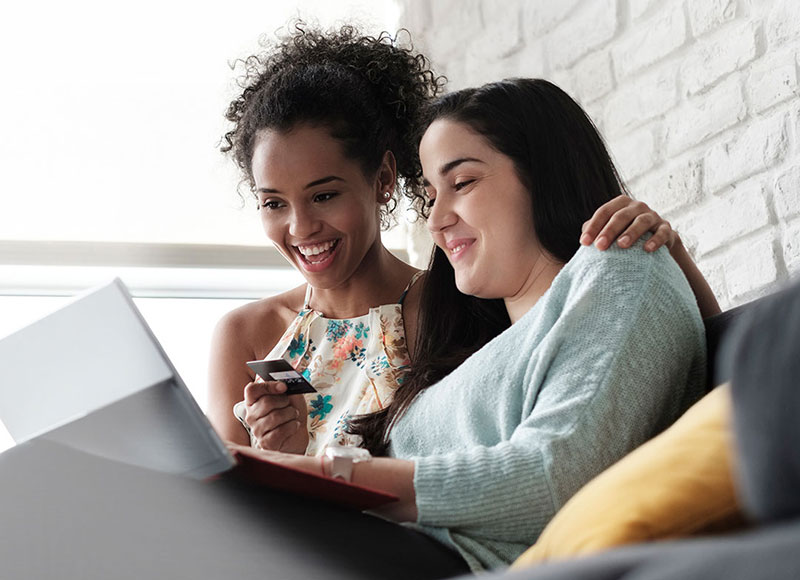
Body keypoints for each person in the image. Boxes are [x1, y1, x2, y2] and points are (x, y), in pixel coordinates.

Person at [226, 78, 708, 573]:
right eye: (432, 193)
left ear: (543, 172)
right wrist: (292, 461)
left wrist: (325, 474)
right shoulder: (489, 327)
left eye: (462, 183)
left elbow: (550, 473)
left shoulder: (617, 269)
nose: (434, 221)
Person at [207, 25, 713, 459]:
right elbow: (223, 521)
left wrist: (670, 257)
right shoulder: (247, 335)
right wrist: (279, 459)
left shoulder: (461, 301)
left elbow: (600, 381)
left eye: (323, 195)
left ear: (383, 178)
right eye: (273, 203)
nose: (300, 228)